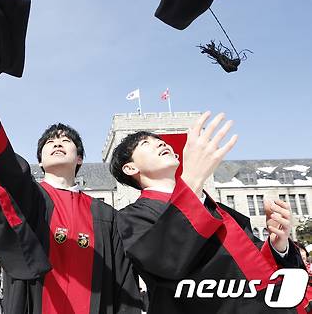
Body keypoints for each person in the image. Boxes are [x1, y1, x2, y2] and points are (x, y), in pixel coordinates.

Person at [0, 27, 142, 314]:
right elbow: (1, 164)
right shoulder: (30, 199)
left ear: (80, 158)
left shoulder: (106, 216)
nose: (58, 143)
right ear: (40, 161)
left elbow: (124, 286)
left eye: (66, 141)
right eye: (50, 142)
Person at [110, 112, 305, 313]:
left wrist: (278, 246)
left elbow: (251, 262)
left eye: (160, 141)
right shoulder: (130, 218)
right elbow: (164, 264)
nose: (161, 144)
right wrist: (191, 181)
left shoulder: (217, 208)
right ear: (130, 167)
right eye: (145, 143)